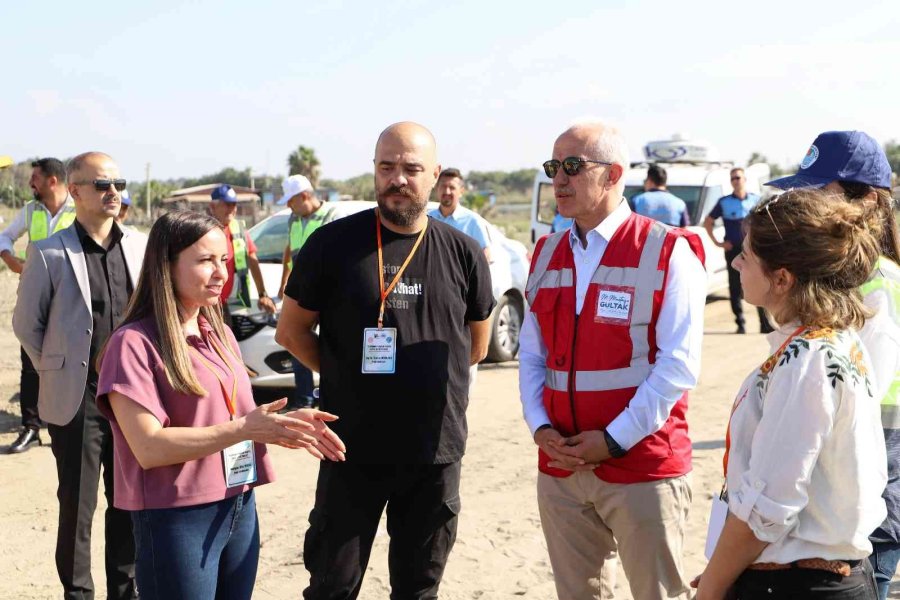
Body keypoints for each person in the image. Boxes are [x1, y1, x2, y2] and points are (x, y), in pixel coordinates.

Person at [275, 121, 495, 599]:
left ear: (434, 174)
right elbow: (290, 332)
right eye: (386, 167)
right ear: (374, 171)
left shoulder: (464, 253)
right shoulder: (331, 246)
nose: (398, 178)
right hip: (350, 448)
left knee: (418, 589)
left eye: (411, 168)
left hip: (433, 454)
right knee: (332, 586)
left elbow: (476, 346)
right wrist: (343, 371)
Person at [94, 210, 345, 599]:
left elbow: (234, 416)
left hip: (239, 503)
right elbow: (148, 447)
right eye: (205, 261)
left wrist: (283, 423)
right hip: (176, 516)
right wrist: (244, 429)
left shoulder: (220, 333)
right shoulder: (133, 344)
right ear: (166, 265)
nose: (221, 273)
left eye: (224, 260)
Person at [520, 120, 707, 600]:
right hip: (561, 469)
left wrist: (614, 440)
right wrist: (541, 429)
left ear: (614, 174)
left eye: (573, 167)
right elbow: (533, 357)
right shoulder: (545, 253)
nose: (558, 179)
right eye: (553, 167)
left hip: (642, 469)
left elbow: (678, 366)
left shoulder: (668, 252)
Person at [694, 188, 886, 599]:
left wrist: (711, 587)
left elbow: (768, 509)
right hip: (797, 576)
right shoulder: (831, 341)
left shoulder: (808, 359)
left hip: (799, 586)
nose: (735, 262)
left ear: (781, 278)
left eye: (746, 255)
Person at [766, 129, 900, 599]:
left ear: (863, 200)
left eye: (815, 191)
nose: (801, 203)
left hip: (874, 457)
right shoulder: (842, 275)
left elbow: (850, 389)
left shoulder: (875, 284)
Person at [12, 152, 143, 599]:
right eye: (102, 184)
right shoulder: (50, 252)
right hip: (79, 401)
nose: (113, 192)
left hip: (131, 399)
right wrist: (58, 368)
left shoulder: (139, 247)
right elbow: (27, 326)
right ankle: (78, 594)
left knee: (128, 503)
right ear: (75, 191)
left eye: (118, 184)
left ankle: (124, 592)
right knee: (78, 508)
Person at [1, 157, 75, 453]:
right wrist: (10, 259)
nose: (31, 182)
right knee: (31, 363)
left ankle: (65, 422)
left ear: (52, 181)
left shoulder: (79, 208)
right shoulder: (31, 211)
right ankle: (31, 427)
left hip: (72, 300)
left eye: (35, 177)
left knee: (71, 362)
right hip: (35, 297)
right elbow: (4, 236)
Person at [276, 175, 334, 409]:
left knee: (330, 344)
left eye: (291, 201)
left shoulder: (330, 217)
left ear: (305, 196)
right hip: (302, 292)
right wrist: (284, 283)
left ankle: (330, 395)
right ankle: (304, 400)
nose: (289, 206)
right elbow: (289, 253)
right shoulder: (293, 219)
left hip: (328, 294)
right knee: (296, 342)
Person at [704, 167, 774, 334]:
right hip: (733, 249)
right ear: (731, 182)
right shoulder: (724, 202)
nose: (736, 181)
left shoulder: (756, 200)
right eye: (733, 178)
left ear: (745, 180)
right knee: (735, 287)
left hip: (754, 250)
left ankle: (764, 323)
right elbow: (708, 221)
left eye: (739, 178)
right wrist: (718, 243)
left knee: (760, 283)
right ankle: (740, 323)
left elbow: (766, 222)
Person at [208, 184, 276, 326]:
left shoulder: (238, 230)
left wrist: (262, 294)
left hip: (229, 305)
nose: (232, 209)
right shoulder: (203, 231)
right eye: (227, 204)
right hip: (207, 304)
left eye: (234, 204)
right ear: (213, 207)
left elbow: (252, 260)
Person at [428, 167, 493, 262]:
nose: (447, 191)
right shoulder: (427, 219)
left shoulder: (472, 221)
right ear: (437, 188)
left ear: (461, 191)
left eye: (452, 187)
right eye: (443, 186)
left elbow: (485, 254)